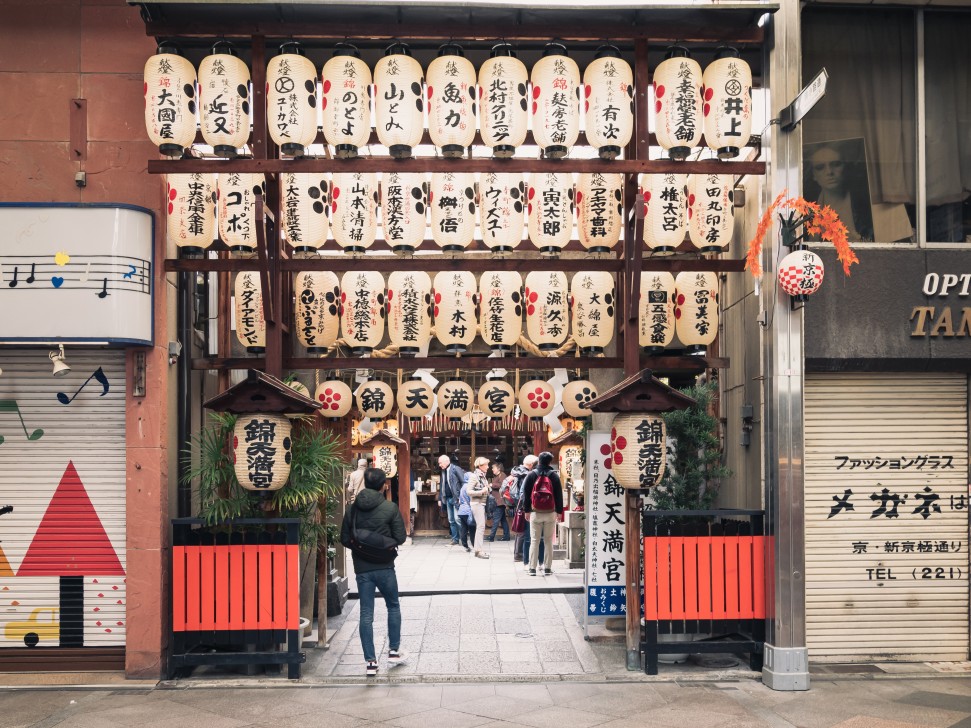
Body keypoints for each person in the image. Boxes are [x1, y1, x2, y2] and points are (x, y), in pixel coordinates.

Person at [339, 467, 408, 677]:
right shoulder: (390, 508)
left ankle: (370, 662)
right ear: (382, 485)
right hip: (385, 566)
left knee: (366, 614)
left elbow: (344, 538)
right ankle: (394, 651)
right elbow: (401, 537)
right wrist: (381, 545)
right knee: (393, 606)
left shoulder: (352, 509)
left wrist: (362, 547)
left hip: (362, 568)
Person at [806, 142, 874, 242]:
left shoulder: (865, 204)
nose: (829, 172)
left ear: (845, 167)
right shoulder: (806, 212)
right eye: (820, 167)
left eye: (836, 164)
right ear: (813, 175)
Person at [522, 451, 564, 576]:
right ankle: (547, 568)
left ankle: (532, 569)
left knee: (534, 540)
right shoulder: (554, 476)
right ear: (550, 462)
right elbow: (558, 495)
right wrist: (559, 512)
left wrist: (527, 510)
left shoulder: (531, 475)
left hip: (535, 512)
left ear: (538, 461)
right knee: (548, 541)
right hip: (550, 512)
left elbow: (526, 494)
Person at [509, 454, 538, 563]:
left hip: (519, 504)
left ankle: (518, 554)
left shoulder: (517, 472)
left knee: (520, 530)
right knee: (524, 531)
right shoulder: (526, 475)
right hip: (524, 505)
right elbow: (525, 492)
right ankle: (519, 555)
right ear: (531, 464)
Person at [468, 456, 491, 559]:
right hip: (477, 504)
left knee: (481, 527)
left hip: (481, 503)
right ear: (480, 466)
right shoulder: (475, 476)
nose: (488, 467)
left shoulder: (482, 476)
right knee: (480, 527)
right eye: (486, 465)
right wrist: (482, 491)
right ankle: (478, 550)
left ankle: (478, 550)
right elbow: (469, 491)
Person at [437, 454, 463, 545]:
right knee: (451, 520)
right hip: (447, 498)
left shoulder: (456, 469)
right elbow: (442, 485)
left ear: (446, 461)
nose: (439, 465)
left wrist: (461, 497)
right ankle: (455, 539)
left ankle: (463, 538)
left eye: (440, 463)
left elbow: (463, 482)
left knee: (457, 519)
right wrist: (440, 498)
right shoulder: (443, 471)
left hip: (456, 498)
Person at [486, 461, 510, 542]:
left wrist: (491, 485)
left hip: (499, 501)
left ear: (498, 468)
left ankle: (491, 536)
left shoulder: (502, 475)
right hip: (498, 501)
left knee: (496, 519)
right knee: (502, 520)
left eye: (493, 468)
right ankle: (506, 536)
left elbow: (502, 485)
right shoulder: (497, 476)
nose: (492, 469)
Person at [456, 474, 476, 553]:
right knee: (472, 529)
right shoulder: (469, 487)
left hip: (461, 511)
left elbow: (460, 499)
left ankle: (465, 545)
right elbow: (471, 499)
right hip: (468, 511)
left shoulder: (463, 486)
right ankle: (474, 545)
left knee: (464, 528)